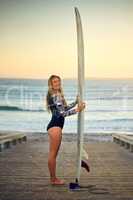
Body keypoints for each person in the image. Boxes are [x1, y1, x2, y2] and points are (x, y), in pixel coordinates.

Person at [46, 74, 85, 185]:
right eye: (55, 82)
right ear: (51, 84)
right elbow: (63, 114)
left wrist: (75, 102)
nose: (57, 83)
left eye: (58, 81)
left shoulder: (57, 95)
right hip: (55, 127)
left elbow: (64, 108)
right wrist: (78, 109)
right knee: (53, 154)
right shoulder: (55, 95)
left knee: (53, 154)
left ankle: (53, 178)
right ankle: (53, 179)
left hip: (55, 126)